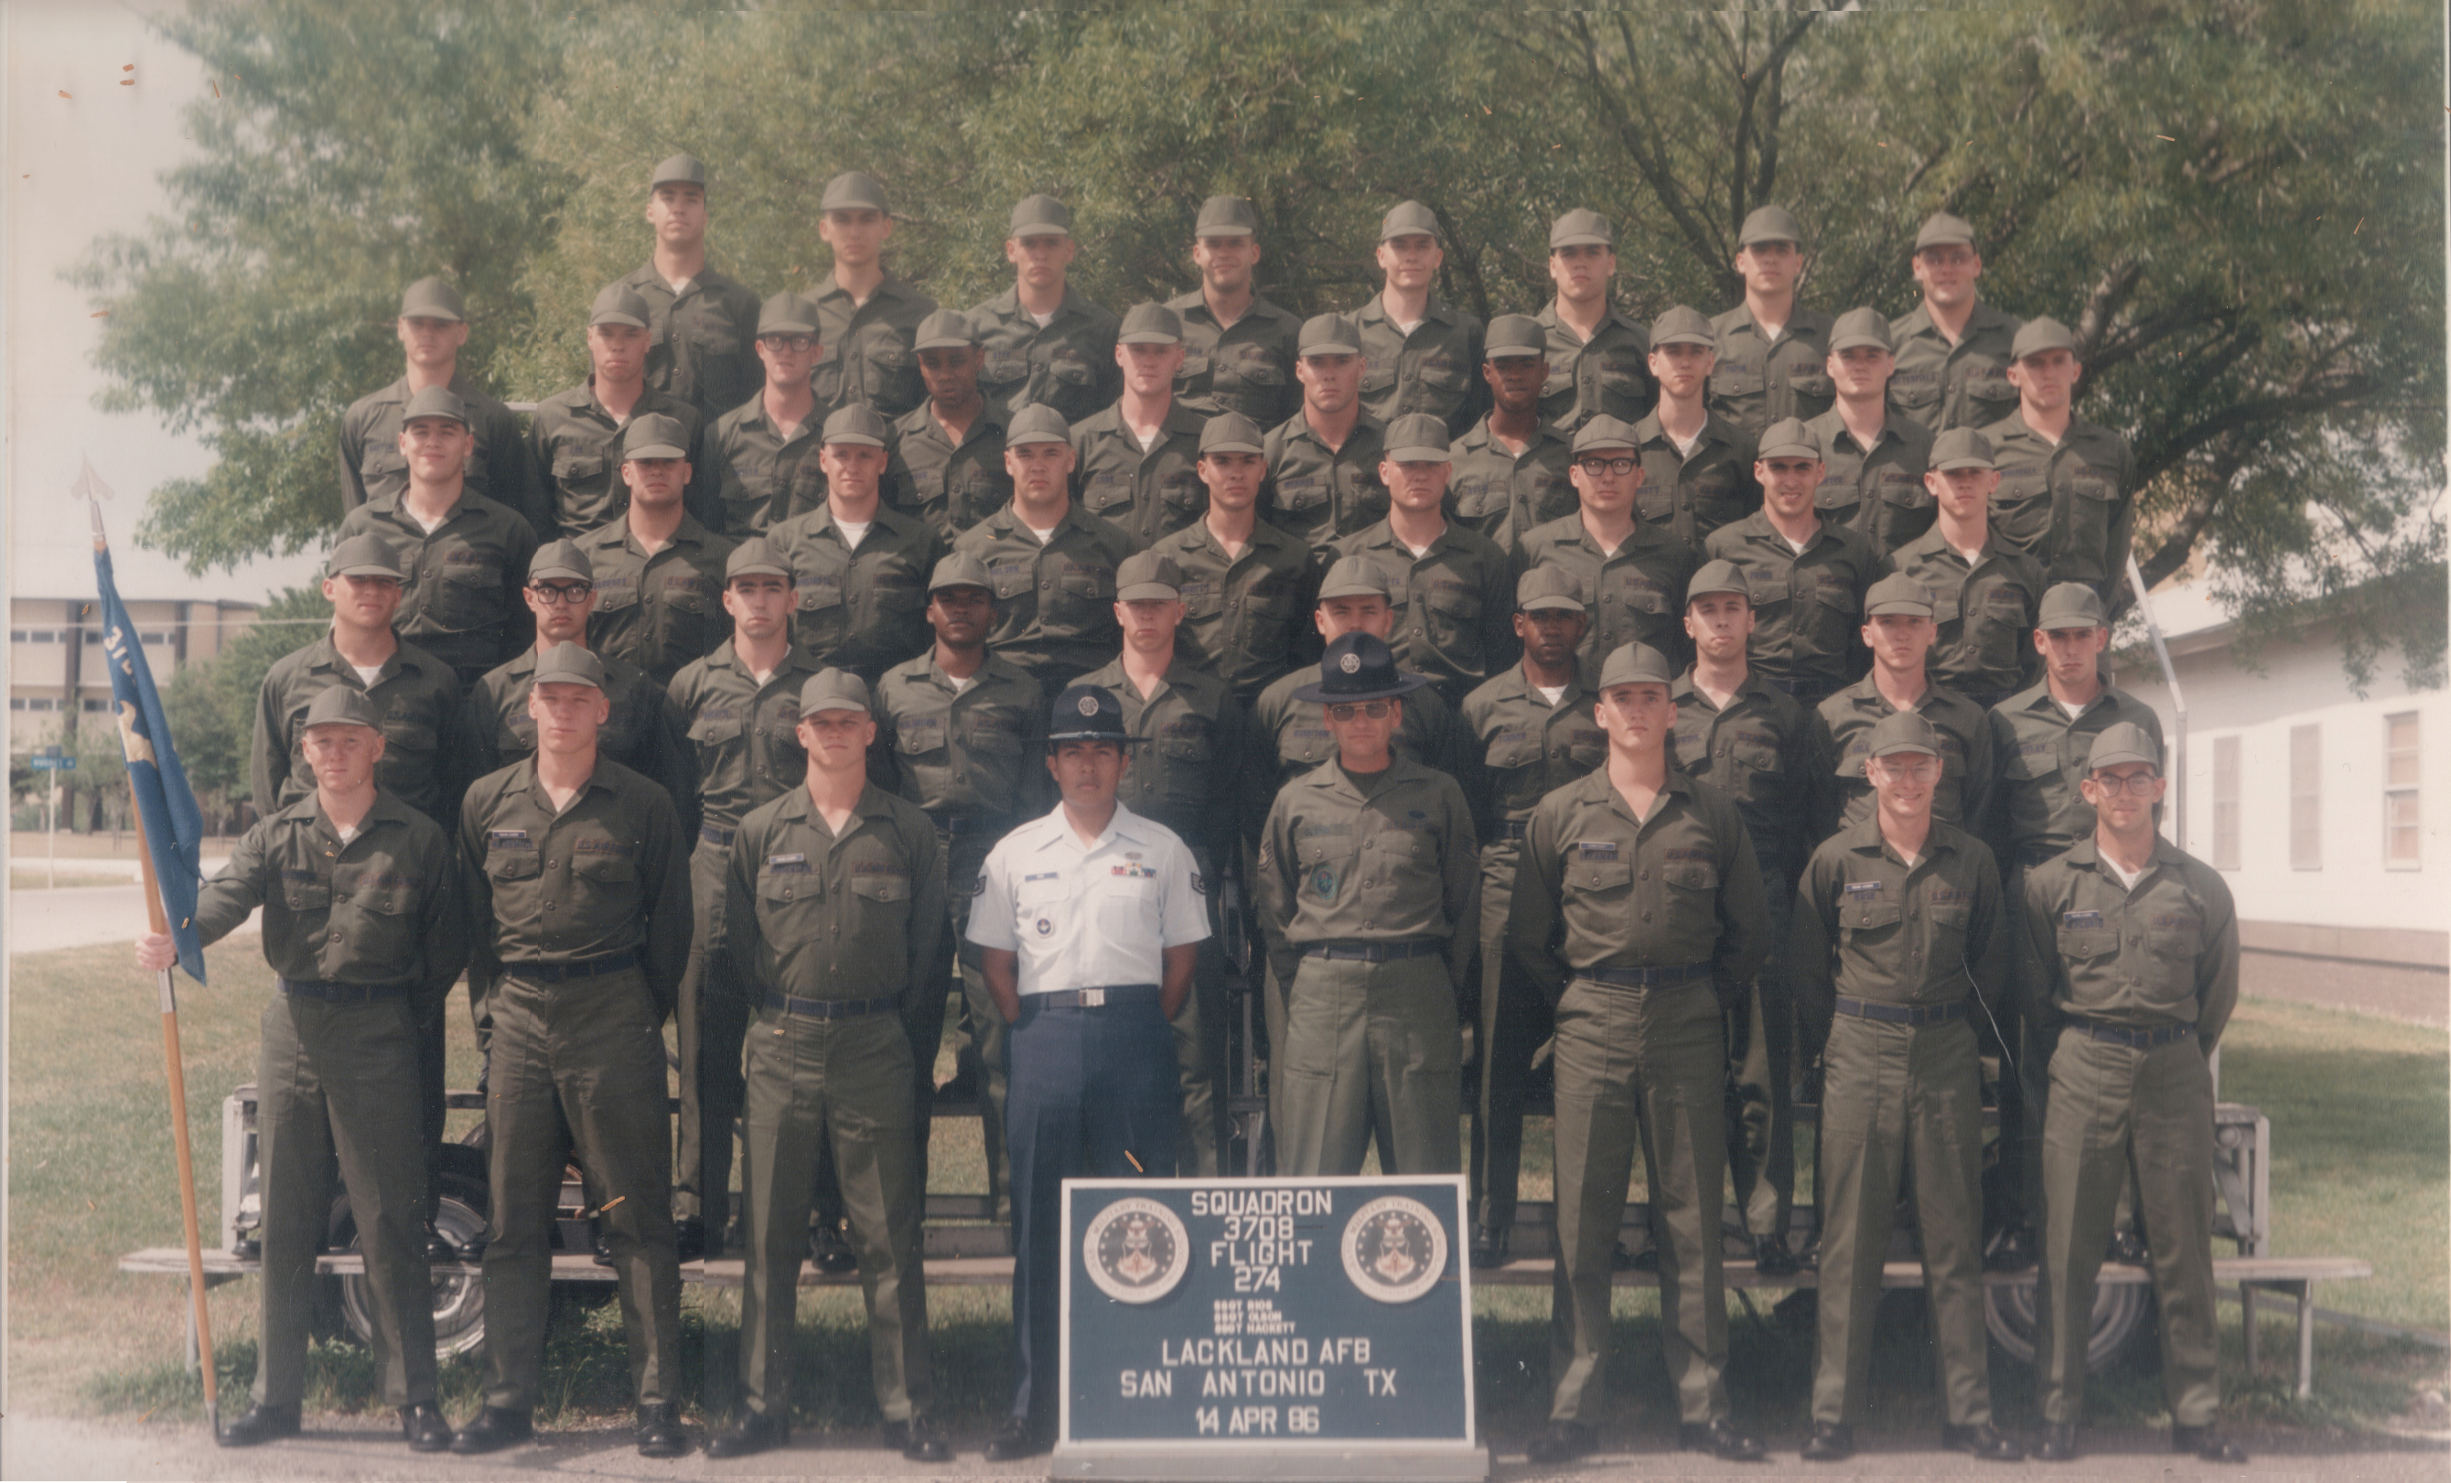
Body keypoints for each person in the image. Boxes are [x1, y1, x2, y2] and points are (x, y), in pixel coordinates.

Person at [145, 687, 465, 1454]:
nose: (334, 751)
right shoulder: (277, 834)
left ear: (376, 746)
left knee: (390, 1218)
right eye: (320, 741)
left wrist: (391, 1016)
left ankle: (415, 1398)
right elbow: (222, 897)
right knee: (284, 1218)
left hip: (381, 1029)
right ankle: (275, 1397)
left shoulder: (417, 838)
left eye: (349, 739)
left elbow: (445, 946)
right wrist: (176, 937)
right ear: (305, 753)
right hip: (293, 1030)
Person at [1507, 640, 1769, 1465]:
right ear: (1598, 711)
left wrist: (1694, 998)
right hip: (1592, 1019)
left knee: (1690, 1220)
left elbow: (1747, 934)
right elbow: (1529, 938)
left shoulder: (1711, 812)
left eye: (1650, 696)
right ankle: (1572, 1405)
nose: (1634, 711)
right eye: (1619, 697)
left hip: (1687, 1017)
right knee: (1581, 1220)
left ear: (1671, 708)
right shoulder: (1560, 813)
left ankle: (1703, 1403)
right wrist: (1586, 999)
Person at [451, 643, 692, 1458]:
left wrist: (632, 1010)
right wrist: (493, 1017)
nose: (561, 709)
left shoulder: (644, 803)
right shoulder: (486, 800)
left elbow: (672, 927)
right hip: (518, 1014)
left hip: (611, 1014)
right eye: (547, 696)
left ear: (602, 710)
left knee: (635, 1215)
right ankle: (508, 1400)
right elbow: (476, 929)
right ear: (529, 708)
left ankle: (658, 1401)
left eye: (577, 697)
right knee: (514, 1218)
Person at [705, 670, 951, 1464]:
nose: (836, 732)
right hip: (782, 1043)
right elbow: (740, 949)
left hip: (874, 1045)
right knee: (770, 1235)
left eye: (849, 720)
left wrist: (879, 1022)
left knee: (888, 1234)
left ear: (871, 731)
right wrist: (785, 1011)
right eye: (821, 721)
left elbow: (924, 955)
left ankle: (906, 1406)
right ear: (799, 732)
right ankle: (759, 1405)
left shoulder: (908, 830)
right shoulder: (760, 829)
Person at [968, 684, 1209, 1461]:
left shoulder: (1161, 849)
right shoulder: (1013, 853)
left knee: (1139, 1218)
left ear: (1123, 760)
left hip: (1134, 1038)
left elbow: (1179, 963)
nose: (1087, 765)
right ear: (1050, 761)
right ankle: (1031, 1405)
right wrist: (1044, 1027)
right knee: (1040, 1223)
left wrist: (1123, 1020)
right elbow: (997, 964)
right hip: (1043, 1035)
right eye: (1072, 750)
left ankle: (1137, 1398)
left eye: (1102, 750)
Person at [1789, 710, 2022, 1464]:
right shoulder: (1834, 859)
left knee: (1953, 1237)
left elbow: (1989, 966)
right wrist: (1845, 1036)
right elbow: (1806, 972)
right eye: (1894, 765)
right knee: (1848, 1241)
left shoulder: (1971, 861)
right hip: (1860, 1047)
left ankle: (1968, 1412)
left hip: (1944, 1051)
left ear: (1938, 772)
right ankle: (1832, 1414)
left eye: (1921, 765)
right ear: (1870, 772)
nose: (1908, 778)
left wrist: (1957, 1038)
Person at [2019, 724, 2246, 1466]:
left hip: (2173, 1071)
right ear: (2087, 790)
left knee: (2183, 1247)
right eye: (2108, 779)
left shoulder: (2199, 886)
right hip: (2083, 1063)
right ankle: (2057, 1412)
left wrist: (2172, 1052)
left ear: (2159, 786)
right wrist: (2084, 1053)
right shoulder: (2050, 885)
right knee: (2067, 1249)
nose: (2123, 792)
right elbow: (2032, 997)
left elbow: (2213, 997)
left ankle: (2197, 1414)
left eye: (2137, 777)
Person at [251, 534, 479, 1259]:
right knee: (305, 1110)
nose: (370, 591)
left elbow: (458, 793)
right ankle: (314, 1230)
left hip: (403, 911)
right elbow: (272, 800)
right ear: (330, 587)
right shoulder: (287, 678)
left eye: (384, 580)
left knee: (408, 1102)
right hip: (318, 917)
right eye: (357, 579)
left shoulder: (436, 682)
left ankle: (404, 1238)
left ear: (400, 591)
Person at [1981, 582, 2166, 1266]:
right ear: (2038, 642)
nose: (2068, 647)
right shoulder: (2002, 721)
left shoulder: (2138, 716)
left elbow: (2149, 819)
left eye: (2080, 633)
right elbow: (1986, 824)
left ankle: (2116, 1221)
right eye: (2054, 635)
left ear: (2101, 638)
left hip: (2107, 894)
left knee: (2114, 1057)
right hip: (2030, 898)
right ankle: (2027, 1216)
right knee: (2028, 1061)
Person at [1068, 551, 1263, 1176]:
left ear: (1179, 611)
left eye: (1159, 604)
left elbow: (1235, 801)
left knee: (1195, 1054)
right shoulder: (1088, 700)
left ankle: (1203, 1197)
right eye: (1136, 605)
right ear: (1118, 610)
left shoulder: (1212, 697)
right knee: (1114, 1053)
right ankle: (1125, 1201)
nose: (1147, 616)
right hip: (1105, 892)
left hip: (1186, 892)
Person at [1256, 633, 1479, 1177]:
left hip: (1415, 990)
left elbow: (1464, 898)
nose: (1361, 722)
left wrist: (1431, 976)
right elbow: (1276, 907)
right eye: (1346, 710)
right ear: (1326, 719)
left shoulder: (1439, 794)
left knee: (1424, 1168)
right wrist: (1311, 974)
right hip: (1324, 993)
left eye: (1374, 708)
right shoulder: (1296, 800)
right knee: (1315, 1173)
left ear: (1396, 712)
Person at [874, 554, 1051, 1225]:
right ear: (928, 609)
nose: (960, 609)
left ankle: (1013, 1202)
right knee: (907, 1038)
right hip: (915, 856)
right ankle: (901, 1205)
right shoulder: (894, 688)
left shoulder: (1021, 690)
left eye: (974, 598)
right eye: (947, 598)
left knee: (1002, 1035)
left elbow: (1037, 793)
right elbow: (883, 788)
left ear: (993, 611)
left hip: (994, 857)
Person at [663, 540, 827, 1261]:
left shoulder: (822, 686)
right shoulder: (691, 685)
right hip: (716, 855)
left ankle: (821, 1212)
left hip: (800, 858)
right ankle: (699, 1205)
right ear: (726, 599)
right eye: (745, 587)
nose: (759, 599)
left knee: (812, 1039)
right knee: (704, 1038)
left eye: (772, 586)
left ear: (793, 598)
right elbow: (671, 789)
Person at [1671, 559, 1823, 1276]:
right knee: (1684, 1076)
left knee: (1763, 1076)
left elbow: (1805, 821)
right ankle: (1691, 1222)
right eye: (1708, 609)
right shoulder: (1660, 706)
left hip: (1762, 906)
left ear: (1751, 620)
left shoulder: (1786, 715)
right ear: (1688, 623)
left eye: (1733, 607)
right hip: (1680, 910)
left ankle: (1766, 1222)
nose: (1721, 620)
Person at [1458, 568, 1606, 1265]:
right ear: (1516, 622)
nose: (1551, 627)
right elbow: (1464, 814)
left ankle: (1595, 1223)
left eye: (1564, 615)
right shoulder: (1481, 706)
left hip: (1588, 888)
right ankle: (1490, 1212)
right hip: (1505, 882)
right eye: (1538, 615)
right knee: (1498, 1058)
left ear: (1583, 625)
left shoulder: (1604, 705)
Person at [464, 540, 697, 834]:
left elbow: (665, 795)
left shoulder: (634, 688)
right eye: (547, 590)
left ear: (592, 599)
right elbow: (476, 794)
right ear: (528, 597)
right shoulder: (495, 691)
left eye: (574, 590)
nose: (561, 603)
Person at [335, 385, 538, 690]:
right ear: (403, 443)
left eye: (447, 432)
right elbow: (344, 628)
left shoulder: (508, 530)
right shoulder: (362, 529)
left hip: (477, 701)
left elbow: (525, 634)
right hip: (389, 698)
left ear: (468, 444)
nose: (433, 442)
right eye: (420, 432)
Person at [1332, 412, 1515, 707]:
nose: (1419, 475)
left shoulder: (1484, 557)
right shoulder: (1349, 557)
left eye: (1430, 465)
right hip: (1376, 712)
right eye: (1406, 465)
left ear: (1448, 471)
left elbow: (1502, 657)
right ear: (1384, 471)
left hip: (1460, 717)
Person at [950, 402, 1134, 695]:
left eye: (1051, 453)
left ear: (1071, 460)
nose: (1038, 466)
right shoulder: (973, 549)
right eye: (1025, 454)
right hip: (1002, 695)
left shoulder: (1112, 543)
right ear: (1008, 463)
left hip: (1090, 694)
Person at [338, 275, 545, 534]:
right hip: (385, 570)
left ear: (462, 332)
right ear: (400, 328)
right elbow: (354, 522)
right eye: (417, 324)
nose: (428, 333)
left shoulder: (493, 419)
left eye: (440, 325)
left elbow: (521, 521)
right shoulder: (363, 418)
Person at [1703, 416, 1879, 709]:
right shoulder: (1725, 547)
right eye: (1779, 468)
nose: (1791, 480)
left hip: (1833, 704)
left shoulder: (1853, 551)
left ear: (1820, 472)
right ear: (1759, 472)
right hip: (1752, 703)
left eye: (1802, 468)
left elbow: (1864, 643)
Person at [767, 404, 946, 685]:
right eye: (841, 455)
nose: (852, 467)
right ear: (823, 460)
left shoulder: (920, 542)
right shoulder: (785, 541)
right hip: (809, 697)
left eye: (864, 455)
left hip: (896, 694)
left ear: (883, 462)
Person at [1147, 411, 1318, 703]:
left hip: (1267, 714)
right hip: (1191, 713)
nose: (1236, 473)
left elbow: (1306, 655)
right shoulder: (1167, 558)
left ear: (1263, 470)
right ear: (1202, 470)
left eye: (1247, 461)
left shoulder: (1294, 559)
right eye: (1222, 461)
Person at [1517, 415, 1700, 685]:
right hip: (1565, 711)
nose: (1608, 476)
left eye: (1621, 464)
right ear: (1574, 475)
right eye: (1594, 464)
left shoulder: (1674, 556)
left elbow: (1686, 650)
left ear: (1639, 475)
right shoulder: (1535, 549)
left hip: (1643, 712)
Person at [1813, 574, 1996, 835]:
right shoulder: (1833, 716)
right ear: (1867, 634)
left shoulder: (1967, 718)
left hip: (1944, 869)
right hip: (1860, 868)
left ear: (1932, 632)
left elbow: (1980, 813)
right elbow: (1818, 813)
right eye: (1887, 622)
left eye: (1914, 622)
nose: (1901, 634)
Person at [532, 283, 719, 538]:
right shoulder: (553, 417)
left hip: (659, 564)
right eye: (606, 334)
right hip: (577, 570)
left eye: (630, 334)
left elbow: (701, 513)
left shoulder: (681, 420)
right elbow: (534, 514)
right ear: (589, 338)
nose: (617, 345)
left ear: (647, 340)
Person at [1883, 428, 2046, 710]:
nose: (1965, 483)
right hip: (1929, 717)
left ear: (1994, 480)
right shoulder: (1901, 570)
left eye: (1975, 473)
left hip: (2005, 718)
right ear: (1931, 483)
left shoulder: (2025, 571)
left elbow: (2035, 661)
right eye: (1954, 474)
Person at [574, 411, 739, 685]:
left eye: (668, 462)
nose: (657, 471)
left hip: (691, 715)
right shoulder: (585, 556)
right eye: (646, 462)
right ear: (626, 472)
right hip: (609, 715)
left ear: (686, 472)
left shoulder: (723, 558)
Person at [1981, 317, 2138, 602]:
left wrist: (2101, 614)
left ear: (2075, 370)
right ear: (2013, 375)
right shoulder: (1986, 450)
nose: (2048, 372)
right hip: (2009, 623)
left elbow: (2117, 548)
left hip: (2081, 624)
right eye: (2035, 363)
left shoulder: (2109, 451)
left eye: (2058, 361)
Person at [615, 153, 762, 425]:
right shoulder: (622, 299)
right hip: (643, 461)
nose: (678, 208)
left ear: (705, 215)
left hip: (717, 460)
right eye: (668, 197)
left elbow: (759, 400)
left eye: (691, 199)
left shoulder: (740, 304)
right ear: (650, 211)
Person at [967, 194, 1121, 424]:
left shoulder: (1103, 329)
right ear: (1011, 250)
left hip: (1073, 457)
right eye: (1029, 243)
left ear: (1069, 250)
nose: (1040, 254)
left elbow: (1114, 416)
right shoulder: (976, 326)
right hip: (995, 457)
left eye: (1051, 243)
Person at [1067, 302, 1209, 547]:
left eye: (1161, 351)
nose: (1149, 361)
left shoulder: (1204, 439)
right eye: (1138, 350)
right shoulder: (1081, 441)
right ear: (1119, 355)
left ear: (1180, 358)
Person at [1807, 307, 1937, 557]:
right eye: (1849, 356)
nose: (1860, 366)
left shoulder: (1923, 446)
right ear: (1830, 365)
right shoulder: (1806, 443)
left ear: (1890, 365)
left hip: (1903, 592)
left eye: (1872, 356)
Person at [809, 170, 937, 421]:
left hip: (898, 457)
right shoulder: (803, 314)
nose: (854, 232)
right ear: (824, 229)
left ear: (886, 227)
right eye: (843, 220)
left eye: (867, 220)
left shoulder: (921, 314)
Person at [1351, 200, 1486, 438]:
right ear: (1381, 256)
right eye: (1400, 246)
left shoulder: (1467, 334)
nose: (1411, 256)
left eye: (1422, 246)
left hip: (1442, 471)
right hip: (1368, 472)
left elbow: (1480, 423)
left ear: (1438, 257)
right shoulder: (1350, 331)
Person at [1167, 194, 1302, 427]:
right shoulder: (1167, 323)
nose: (1224, 253)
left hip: (1256, 459)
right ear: (1197, 254)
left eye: (1235, 243)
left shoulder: (1288, 331)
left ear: (1254, 253)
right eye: (1213, 243)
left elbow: (1297, 424)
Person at [1263, 313, 1392, 557]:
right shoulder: (1271, 451)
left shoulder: (1389, 446)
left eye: (1342, 361)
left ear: (1362, 367)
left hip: (1374, 587)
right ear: (1300, 371)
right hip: (1298, 590)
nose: (1329, 374)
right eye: (1317, 362)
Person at [1448, 314, 1577, 548]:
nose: (1515, 375)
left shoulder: (1569, 455)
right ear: (1487, 373)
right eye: (1503, 366)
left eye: (1527, 365)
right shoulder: (1455, 461)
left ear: (1545, 371)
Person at [1634, 307, 1761, 543]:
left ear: (1710, 362)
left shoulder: (1742, 451)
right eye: (1673, 352)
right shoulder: (1631, 448)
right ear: (1653, 363)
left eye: (1695, 352)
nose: (1685, 362)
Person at [1888, 212, 2023, 435]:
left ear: (1976, 265)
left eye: (1958, 258)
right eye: (1934, 259)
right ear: (1917, 267)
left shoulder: (2015, 339)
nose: (1946, 269)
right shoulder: (1890, 343)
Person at [1709, 205, 1836, 436]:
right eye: (1759, 250)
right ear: (1740, 261)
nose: (1770, 259)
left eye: (1781, 250)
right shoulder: (1711, 337)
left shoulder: (1830, 336)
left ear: (1798, 263)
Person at [707, 292, 828, 532]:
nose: (786, 351)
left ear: (816, 352)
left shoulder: (835, 434)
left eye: (799, 341)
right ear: (760, 349)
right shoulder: (722, 435)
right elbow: (707, 528)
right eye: (775, 340)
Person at [887, 309, 1013, 537]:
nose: (945, 374)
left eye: (956, 361)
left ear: (979, 359)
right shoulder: (896, 441)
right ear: (920, 365)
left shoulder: (1012, 434)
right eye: (933, 364)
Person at [1534, 208, 1656, 432]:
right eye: (1569, 254)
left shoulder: (1640, 343)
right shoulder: (1531, 340)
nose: (1580, 263)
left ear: (1611, 264)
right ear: (1553, 266)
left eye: (1592, 252)